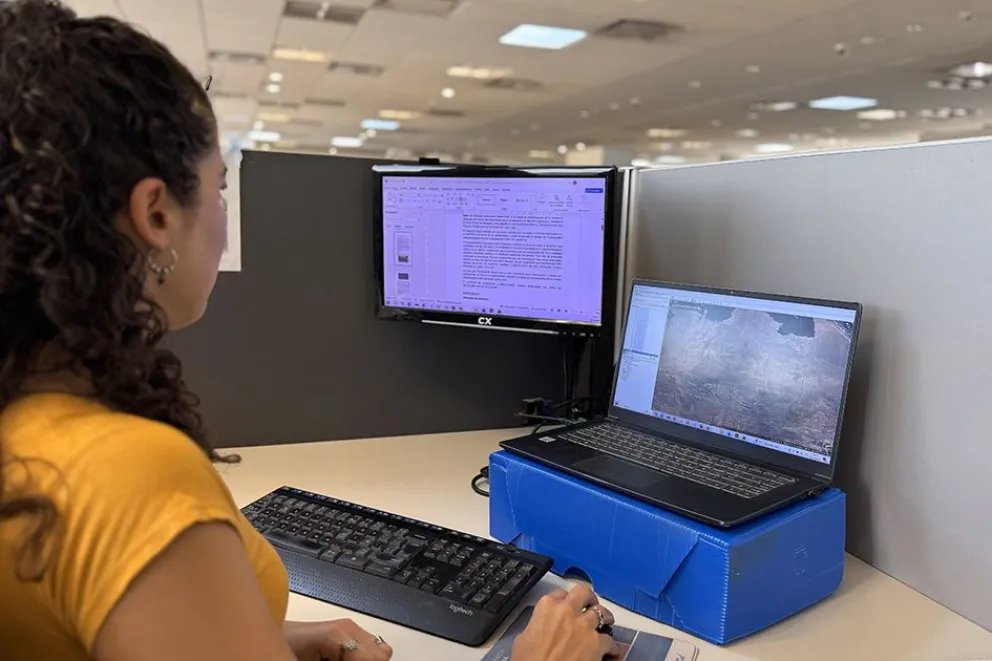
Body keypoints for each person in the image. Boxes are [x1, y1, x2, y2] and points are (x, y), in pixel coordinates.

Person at [0, 1, 622, 660]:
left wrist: (261, 639)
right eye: (219, 189)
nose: (223, 218)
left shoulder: (28, 418)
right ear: (155, 213)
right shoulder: (130, 475)